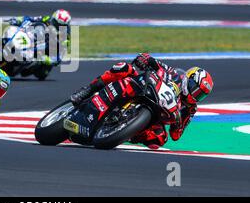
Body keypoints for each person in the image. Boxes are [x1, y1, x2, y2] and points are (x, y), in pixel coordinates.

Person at [70, 53, 213, 149]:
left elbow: (176, 135)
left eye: (200, 95)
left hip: (156, 115)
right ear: (189, 78)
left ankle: (124, 132)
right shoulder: (173, 73)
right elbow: (153, 62)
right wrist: (145, 59)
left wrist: (178, 122)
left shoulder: (190, 108)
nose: (195, 96)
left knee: (159, 140)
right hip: (143, 90)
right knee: (124, 68)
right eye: (195, 89)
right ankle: (88, 89)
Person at [6, 9, 72, 74]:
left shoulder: (65, 35)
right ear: (53, 18)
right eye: (56, 23)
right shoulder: (46, 19)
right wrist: (19, 19)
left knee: (38, 72)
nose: (57, 25)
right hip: (35, 38)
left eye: (60, 25)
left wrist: (49, 60)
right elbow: (31, 18)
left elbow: (60, 56)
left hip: (46, 52)